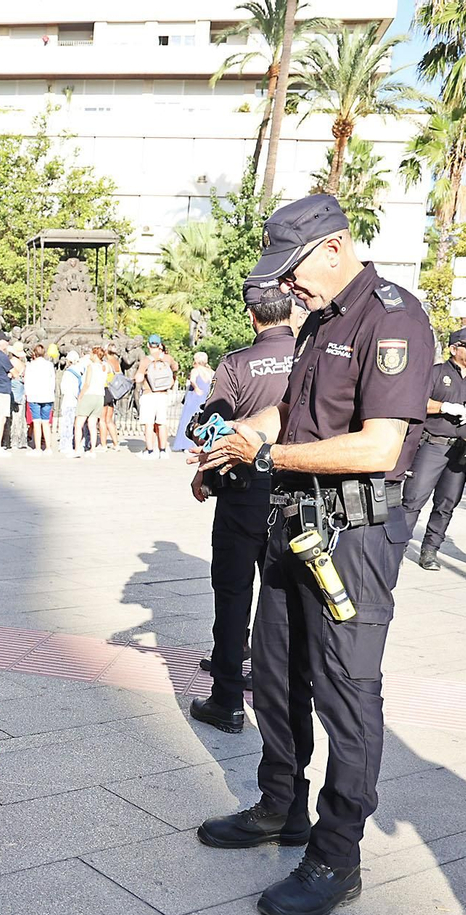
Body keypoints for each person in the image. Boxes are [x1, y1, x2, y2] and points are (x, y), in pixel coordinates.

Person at [195, 193, 434, 915]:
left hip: (353, 541)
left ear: (333, 246)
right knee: (275, 672)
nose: (286, 285)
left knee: (345, 691)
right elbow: (286, 412)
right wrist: (236, 437)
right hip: (294, 526)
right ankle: (280, 804)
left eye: (292, 269)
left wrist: (267, 450)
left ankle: (336, 854)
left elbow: (379, 445)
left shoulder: (392, 315)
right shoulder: (319, 320)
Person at [187, 282, 296, 735]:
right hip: (298, 494)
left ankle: (228, 699)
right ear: (290, 309)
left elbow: (212, 426)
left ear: (253, 316)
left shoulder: (236, 363)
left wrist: (202, 464)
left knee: (233, 597)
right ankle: (279, 697)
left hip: (243, 492)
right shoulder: (313, 356)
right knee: (283, 601)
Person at [404, 327, 466, 571]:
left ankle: (430, 551)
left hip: (461, 450)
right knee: (413, 499)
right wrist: (445, 407)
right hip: (433, 444)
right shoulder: (435, 373)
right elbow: (416, 402)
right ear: (454, 349)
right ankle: (397, 545)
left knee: (447, 503)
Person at [137, 336, 174, 457]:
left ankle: (150, 451)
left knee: (148, 423)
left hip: (149, 394)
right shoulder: (168, 358)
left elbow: (139, 377)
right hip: (163, 394)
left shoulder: (146, 360)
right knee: (162, 423)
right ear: (160, 345)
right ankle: (162, 450)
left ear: (148, 345)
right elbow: (175, 369)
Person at [172, 352, 215, 451]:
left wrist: (196, 388)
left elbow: (192, 380)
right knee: (202, 420)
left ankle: (185, 444)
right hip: (205, 397)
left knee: (188, 419)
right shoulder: (211, 372)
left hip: (195, 397)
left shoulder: (195, 370)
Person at [24, 343, 58, 453]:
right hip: (47, 396)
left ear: (34, 353)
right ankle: (48, 447)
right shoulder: (49, 365)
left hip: (34, 396)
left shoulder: (30, 365)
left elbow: (27, 381)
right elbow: (53, 380)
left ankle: (37, 448)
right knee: (46, 422)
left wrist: (27, 394)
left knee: (36, 422)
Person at [75, 347, 106, 454]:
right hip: (100, 396)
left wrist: (80, 395)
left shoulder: (90, 367)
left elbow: (87, 383)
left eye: (92, 354)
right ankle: (92, 449)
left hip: (89, 395)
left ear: (95, 355)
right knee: (92, 425)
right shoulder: (104, 367)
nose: (90, 356)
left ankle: (77, 449)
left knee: (79, 423)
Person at [59, 350, 85, 457]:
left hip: (69, 400)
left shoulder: (68, 372)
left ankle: (66, 445)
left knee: (67, 424)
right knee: (79, 425)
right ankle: (80, 444)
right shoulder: (82, 371)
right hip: (79, 401)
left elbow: (63, 389)